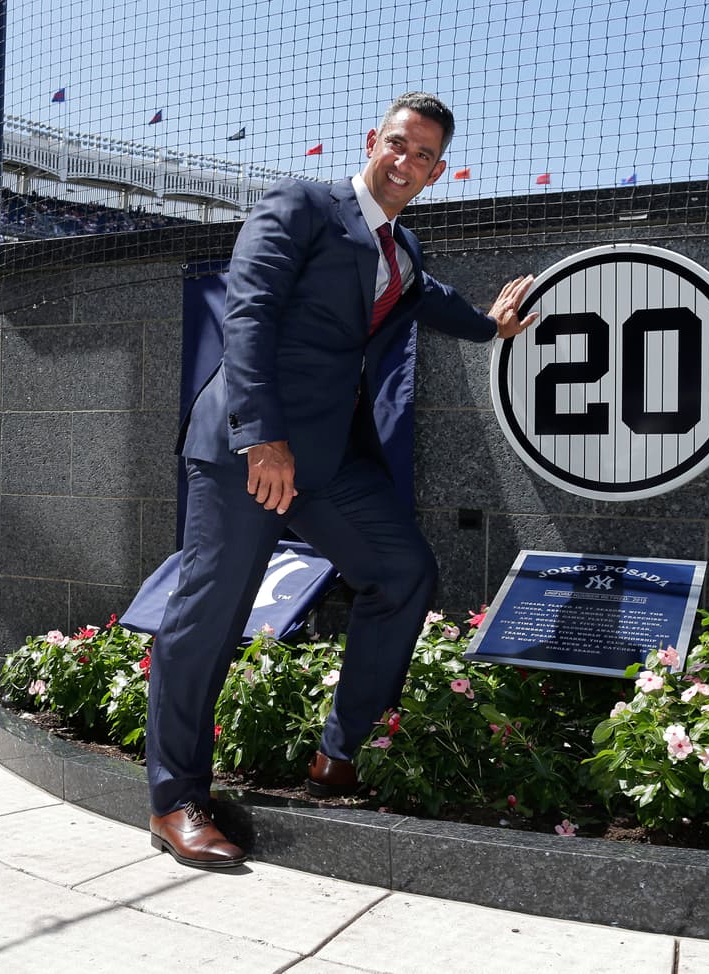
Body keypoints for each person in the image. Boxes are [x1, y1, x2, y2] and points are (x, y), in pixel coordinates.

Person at [145, 91, 538, 869]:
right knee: (208, 619)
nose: (407, 162)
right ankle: (175, 800)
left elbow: (426, 298)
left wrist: (492, 328)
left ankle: (339, 751)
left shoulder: (404, 247)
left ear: (437, 171)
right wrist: (262, 438)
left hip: (327, 462)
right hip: (246, 451)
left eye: (424, 156)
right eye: (399, 144)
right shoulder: (302, 205)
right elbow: (248, 312)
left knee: (402, 572)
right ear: (372, 141)